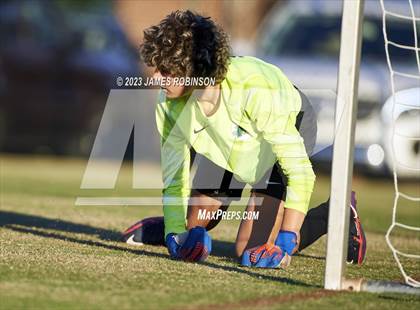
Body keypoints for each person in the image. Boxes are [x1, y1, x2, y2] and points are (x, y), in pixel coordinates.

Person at [122, 10, 366, 267]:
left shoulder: (256, 90)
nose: (156, 78)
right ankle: (171, 225)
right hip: (227, 148)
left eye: (166, 70)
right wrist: (174, 233)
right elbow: (174, 179)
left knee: (250, 251)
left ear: (196, 69)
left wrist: (285, 240)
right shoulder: (169, 104)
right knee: (193, 227)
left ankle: (334, 214)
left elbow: (300, 173)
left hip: (279, 139)